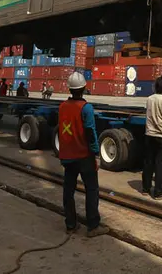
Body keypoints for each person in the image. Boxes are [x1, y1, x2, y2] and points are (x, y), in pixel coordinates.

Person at [57, 72, 109, 237]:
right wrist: (96, 153)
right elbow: (90, 132)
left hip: (68, 156)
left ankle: (70, 224)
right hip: (84, 156)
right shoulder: (86, 108)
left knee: (68, 191)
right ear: (84, 88)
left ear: (70, 89)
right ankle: (93, 226)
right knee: (92, 189)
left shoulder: (62, 106)